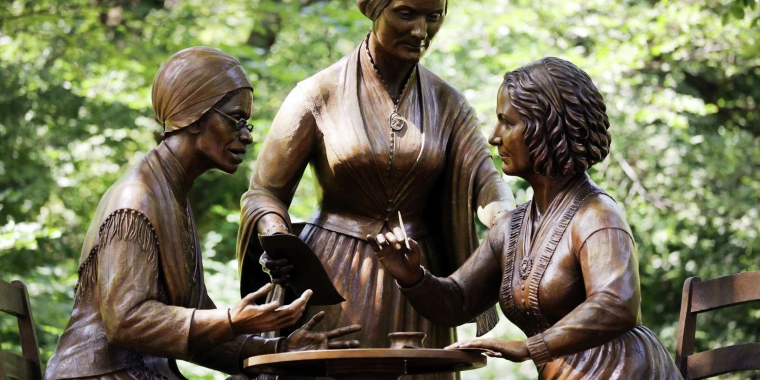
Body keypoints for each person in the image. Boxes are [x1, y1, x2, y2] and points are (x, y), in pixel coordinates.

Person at [45, 47, 361, 380]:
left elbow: (200, 335)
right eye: (236, 119)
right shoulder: (137, 200)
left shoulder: (172, 198)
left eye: (247, 123)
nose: (247, 135)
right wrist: (230, 321)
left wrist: (278, 351)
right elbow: (126, 321)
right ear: (194, 117)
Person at [236, 0, 516, 366]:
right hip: (334, 275)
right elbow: (264, 192)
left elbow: (487, 181)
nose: (420, 31)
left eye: (433, 17)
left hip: (418, 277)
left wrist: (513, 225)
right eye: (406, 13)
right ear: (374, 10)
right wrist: (279, 238)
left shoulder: (449, 103)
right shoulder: (318, 93)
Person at [369, 57, 682, 379]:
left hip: (620, 370)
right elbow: (459, 300)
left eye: (508, 122)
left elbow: (617, 304)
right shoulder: (512, 228)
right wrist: (412, 277)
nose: (494, 136)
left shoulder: (596, 215)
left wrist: (529, 348)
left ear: (546, 127)